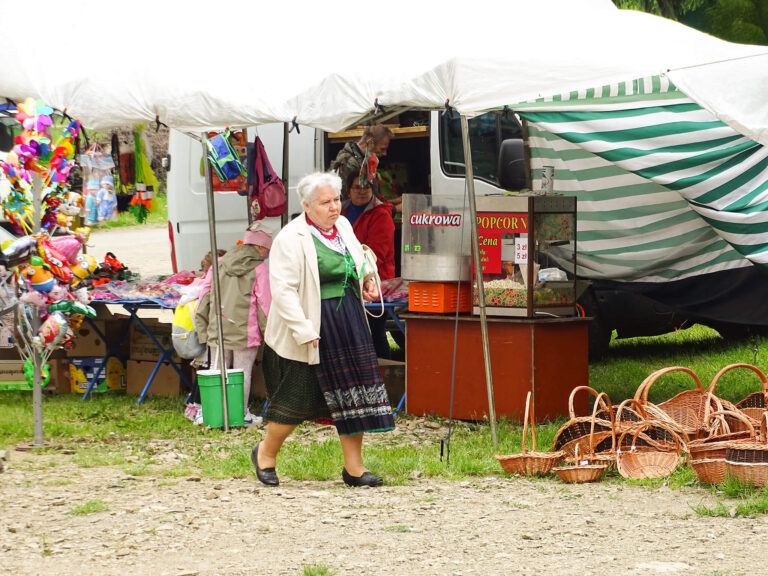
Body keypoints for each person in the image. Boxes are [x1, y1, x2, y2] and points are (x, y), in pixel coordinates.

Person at [252, 171, 394, 488]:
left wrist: (367, 280)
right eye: (325, 202)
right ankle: (265, 453)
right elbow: (284, 292)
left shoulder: (342, 227)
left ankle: (354, 469)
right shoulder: (290, 238)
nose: (334, 207)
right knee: (297, 396)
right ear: (306, 205)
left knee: (353, 396)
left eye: (336, 200)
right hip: (311, 322)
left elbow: (359, 260)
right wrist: (304, 330)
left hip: (349, 321)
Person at [195, 222, 272, 425]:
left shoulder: (218, 264)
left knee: (217, 368)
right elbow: (265, 306)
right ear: (260, 248)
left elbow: (204, 297)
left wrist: (202, 326)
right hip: (246, 332)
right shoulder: (261, 269)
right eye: (268, 249)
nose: (268, 254)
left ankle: (214, 413)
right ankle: (240, 414)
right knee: (242, 373)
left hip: (218, 326)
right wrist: (270, 334)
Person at [341, 172, 395, 358]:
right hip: (349, 281)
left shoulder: (381, 214)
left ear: (373, 190)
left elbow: (377, 254)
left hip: (376, 282)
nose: (362, 191)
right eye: (357, 187)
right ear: (348, 191)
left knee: (375, 333)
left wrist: (355, 271)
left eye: (366, 187)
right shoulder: (342, 212)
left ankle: (383, 377)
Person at [329, 124, 393, 200]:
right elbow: (348, 201)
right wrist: (395, 208)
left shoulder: (364, 160)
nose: (385, 153)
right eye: (382, 149)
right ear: (370, 143)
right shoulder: (349, 163)